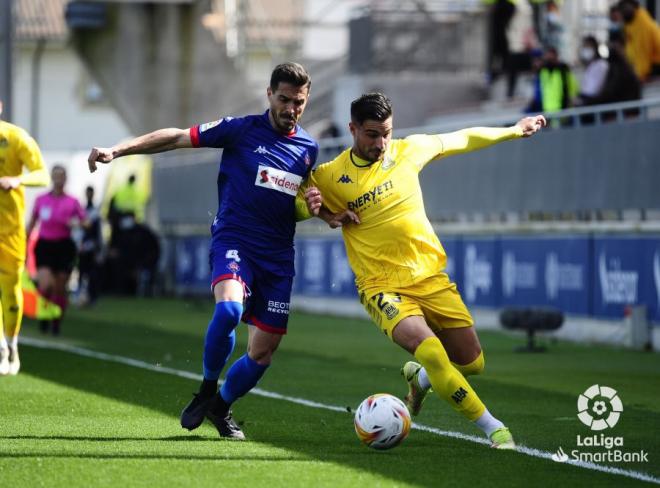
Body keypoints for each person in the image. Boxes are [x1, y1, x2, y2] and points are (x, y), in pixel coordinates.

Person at [87, 62, 318, 440]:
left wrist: (318, 206)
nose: (291, 109)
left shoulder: (308, 148)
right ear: (269, 94)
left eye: (299, 102)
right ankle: (208, 388)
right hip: (235, 241)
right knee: (229, 309)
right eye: (284, 99)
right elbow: (177, 137)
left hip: (278, 257)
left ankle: (221, 407)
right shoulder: (241, 130)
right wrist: (118, 150)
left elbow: (298, 205)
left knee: (263, 354)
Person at [302, 93, 545, 449]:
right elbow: (293, 197)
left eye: (386, 132)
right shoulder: (330, 175)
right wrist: (319, 212)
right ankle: (495, 429)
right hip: (381, 286)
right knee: (431, 351)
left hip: (429, 277)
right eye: (371, 135)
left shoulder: (408, 150)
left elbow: (461, 138)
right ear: (353, 129)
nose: (381, 143)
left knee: (472, 363)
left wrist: (512, 130)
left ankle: (421, 380)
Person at [0, 100, 50, 375]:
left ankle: (12, 345)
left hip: (10, 230)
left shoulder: (15, 137)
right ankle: (1, 348)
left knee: (10, 290)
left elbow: (42, 174)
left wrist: (17, 181)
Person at [27, 165, 86, 336]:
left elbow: (86, 222)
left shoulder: (72, 201)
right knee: (46, 286)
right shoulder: (41, 199)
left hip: (64, 246)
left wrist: (77, 223)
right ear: (52, 178)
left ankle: (56, 322)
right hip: (45, 245)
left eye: (62, 176)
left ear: (66, 179)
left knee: (60, 287)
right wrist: (24, 238)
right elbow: (32, 222)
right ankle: (45, 315)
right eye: (56, 175)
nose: (59, 179)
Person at [619, 0, 660, 82]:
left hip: (653, 67)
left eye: (626, 8)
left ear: (634, 7)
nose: (624, 11)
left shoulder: (642, 24)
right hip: (645, 68)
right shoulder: (631, 25)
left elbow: (644, 51)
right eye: (622, 9)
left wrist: (642, 74)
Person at [78, 186, 103, 305]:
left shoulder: (95, 211)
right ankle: (80, 296)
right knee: (82, 272)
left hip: (92, 246)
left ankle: (92, 296)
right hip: (83, 245)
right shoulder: (82, 209)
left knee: (93, 273)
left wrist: (98, 247)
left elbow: (97, 231)